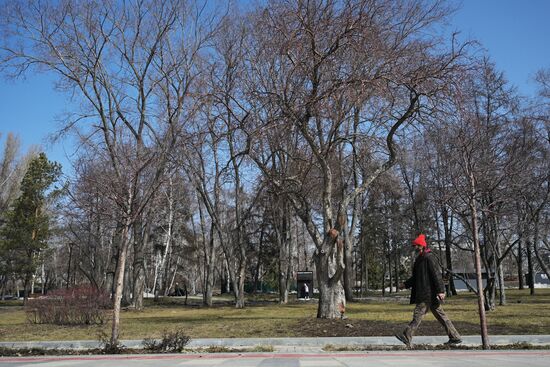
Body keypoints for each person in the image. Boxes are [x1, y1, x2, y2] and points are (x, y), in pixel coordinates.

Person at [395, 234, 462, 348]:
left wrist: (441, 291)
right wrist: (405, 284)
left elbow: (436, 275)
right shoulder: (420, 259)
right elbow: (416, 278)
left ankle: (407, 335)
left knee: (418, 314)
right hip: (426, 293)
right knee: (441, 315)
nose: (414, 247)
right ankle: (455, 337)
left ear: (421, 246)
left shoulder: (429, 258)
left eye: (415, 245)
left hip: (427, 293)